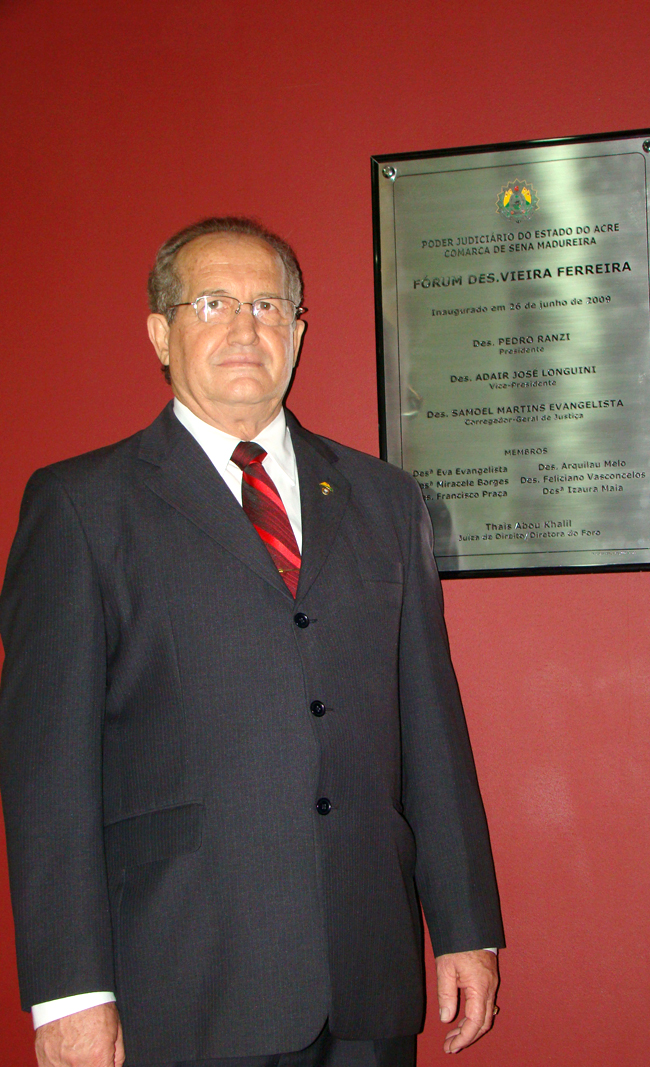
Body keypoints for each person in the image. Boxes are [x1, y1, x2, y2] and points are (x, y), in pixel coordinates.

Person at [0, 217, 504, 1067]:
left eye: (268, 304)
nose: (245, 326)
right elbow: (46, 772)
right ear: (160, 333)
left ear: (298, 333)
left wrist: (464, 925)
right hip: (180, 984)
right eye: (212, 303)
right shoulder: (82, 507)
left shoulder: (387, 501)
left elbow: (431, 730)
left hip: (365, 979)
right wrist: (70, 992)